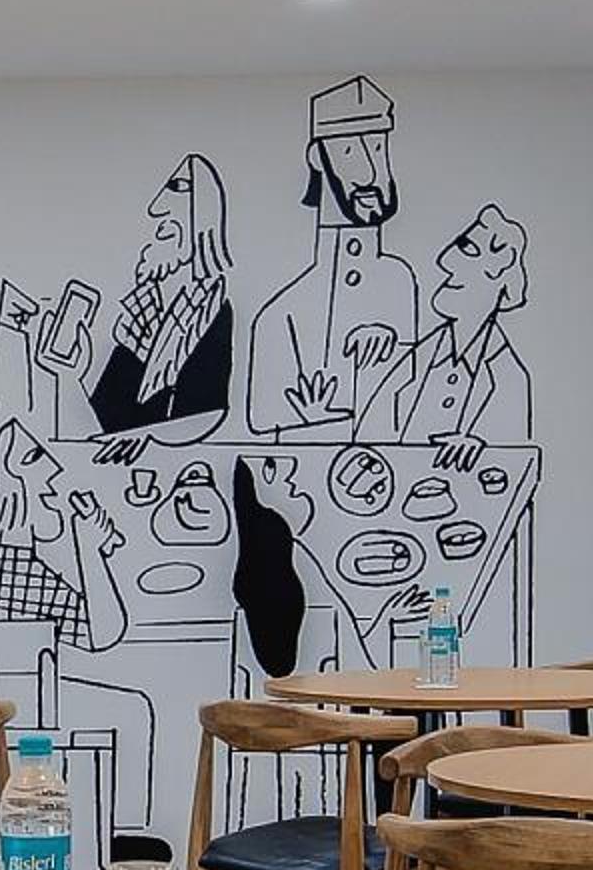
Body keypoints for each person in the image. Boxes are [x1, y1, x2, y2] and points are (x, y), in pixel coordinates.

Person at [247, 75, 421, 438]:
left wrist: (391, 348)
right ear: (318, 157)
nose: (370, 173)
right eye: (349, 152)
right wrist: (316, 422)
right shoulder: (279, 317)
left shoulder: (398, 280)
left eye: (377, 147)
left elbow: (410, 403)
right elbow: (263, 423)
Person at [355, 203, 533, 468]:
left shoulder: (508, 378)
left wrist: (484, 450)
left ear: (499, 273)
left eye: (468, 249)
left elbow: (517, 465)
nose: (446, 260)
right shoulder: (420, 356)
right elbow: (364, 442)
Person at [78, 154, 233, 444]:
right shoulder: (145, 307)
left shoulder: (211, 308)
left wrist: (148, 436)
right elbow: (110, 414)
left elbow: (205, 413)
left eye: (178, 187)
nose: (156, 208)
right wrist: (75, 373)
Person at [228, 456, 430, 676]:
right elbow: (357, 658)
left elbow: (352, 647)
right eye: (271, 467)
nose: (291, 474)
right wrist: (386, 618)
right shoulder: (285, 557)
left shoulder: (288, 556)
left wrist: (386, 617)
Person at [0, 418, 128, 653]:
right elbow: (101, 635)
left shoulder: (19, 556)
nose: (53, 467)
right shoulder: (15, 567)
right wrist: (89, 550)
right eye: (34, 457)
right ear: (12, 475)